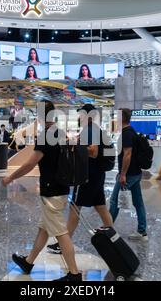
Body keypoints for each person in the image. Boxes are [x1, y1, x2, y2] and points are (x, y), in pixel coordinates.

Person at [2, 100, 82, 281]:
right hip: (61, 187)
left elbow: (31, 163)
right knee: (44, 229)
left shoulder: (46, 136)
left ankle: (74, 274)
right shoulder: (61, 134)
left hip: (51, 190)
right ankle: (28, 262)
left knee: (61, 234)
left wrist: (10, 177)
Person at [47, 104, 113, 254]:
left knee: (74, 208)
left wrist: (74, 143)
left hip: (87, 175)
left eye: (81, 114)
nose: (79, 117)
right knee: (101, 207)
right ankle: (113, 237)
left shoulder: (89, 129)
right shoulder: (95, 129)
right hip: (97, 174)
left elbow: (93, 151)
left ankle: (64, 244)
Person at [109, 108, 148, 241]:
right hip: (136, 173)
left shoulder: (126, 133)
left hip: (129, 174)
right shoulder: (132, 132)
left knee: (114, 200)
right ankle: (142, 231)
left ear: (121, 118)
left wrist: (123, 174)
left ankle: (107, 229)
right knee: (138, 202)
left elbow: (128, 154)